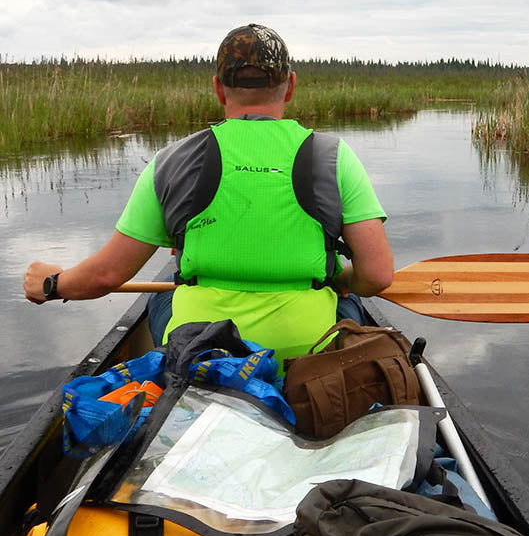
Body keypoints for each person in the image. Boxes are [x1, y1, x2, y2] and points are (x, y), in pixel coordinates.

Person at [24, 23, 394, 369]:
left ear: (218, 88)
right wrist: (342, 281)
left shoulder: (172, 160)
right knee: (350, 297)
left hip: (203, 355)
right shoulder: (335, 156)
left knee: (162, 294)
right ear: (291, 86)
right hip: (306, 358)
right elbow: (377, 275)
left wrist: (52, 283)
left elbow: (107, 274)